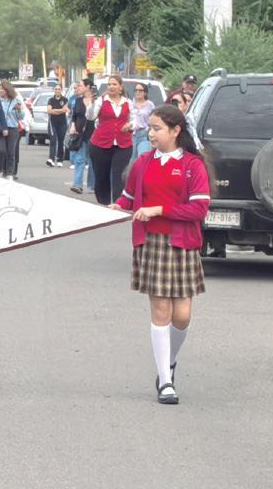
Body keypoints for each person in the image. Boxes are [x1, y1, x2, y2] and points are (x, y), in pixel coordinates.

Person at [115, 102, 210, 406]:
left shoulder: (193, 165)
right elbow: (128, 198)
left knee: (182, 317)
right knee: (161, 312)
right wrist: (115, 208)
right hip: (152, 243)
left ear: (176, 130)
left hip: (183, 243)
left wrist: (158, 210)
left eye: (157, 129)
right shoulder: (142, 163)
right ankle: (165, 382)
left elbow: (199, 209)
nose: (151, 134)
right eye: (150, 128)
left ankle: (168, 362)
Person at [87, 74, 133, 206]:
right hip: (100, 144)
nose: (111, 87)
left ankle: (118, 204)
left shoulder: (128, 102)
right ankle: (104, 203)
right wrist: (92, 103)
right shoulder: (101, 101)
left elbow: (135, 119)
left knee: (120, 176)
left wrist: (131, 125)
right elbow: (90, 117)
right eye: (109, 84)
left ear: (121, 87)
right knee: (102, 176)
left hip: (123, 144)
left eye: (114, 84)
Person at [67, 80, 95, 195]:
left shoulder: (96, 101)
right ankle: (77, 185)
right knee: (79, 159)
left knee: (93, 160)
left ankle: (92, 186)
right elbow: (74, 115)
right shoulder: (78, 100)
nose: (79, 87)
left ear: (88, 87)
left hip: (93, 133)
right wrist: (73, 126)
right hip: (80, 134)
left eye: (81, 85)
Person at [0, 79, 28, 180]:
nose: (0, 91)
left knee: (11, 152)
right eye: (0, 89)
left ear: (7, 90)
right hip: (0, 127)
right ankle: (1, 169)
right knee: (1, 151)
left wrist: (19, 109)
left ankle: (9, 172)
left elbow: (21, 117)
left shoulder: (15, 101)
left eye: (2, 89)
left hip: (12, 128)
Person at [128, 82, 154, 166]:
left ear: (145, 93)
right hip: (130, 135)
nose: (138, 92)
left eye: (140, 90)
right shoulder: (129, 103)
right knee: (131, 161)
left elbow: (154, 119)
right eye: (136, 90)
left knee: (142, 159)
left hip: (144, 135)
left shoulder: (150, 105)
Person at [46, 85, 69, 167]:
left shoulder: (65, 99)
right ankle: (51, 159)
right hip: (53, 123)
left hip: (62, 123)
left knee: (61, 141)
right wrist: (60, 111)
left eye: (59, 89)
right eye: (56, 89)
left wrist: (55, 110)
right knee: (53, 140)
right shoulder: (51, 100)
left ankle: (60, 160)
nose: (57, 91)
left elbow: (65, 110)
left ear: (61, 90)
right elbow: (49, 111)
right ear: (54, 90)